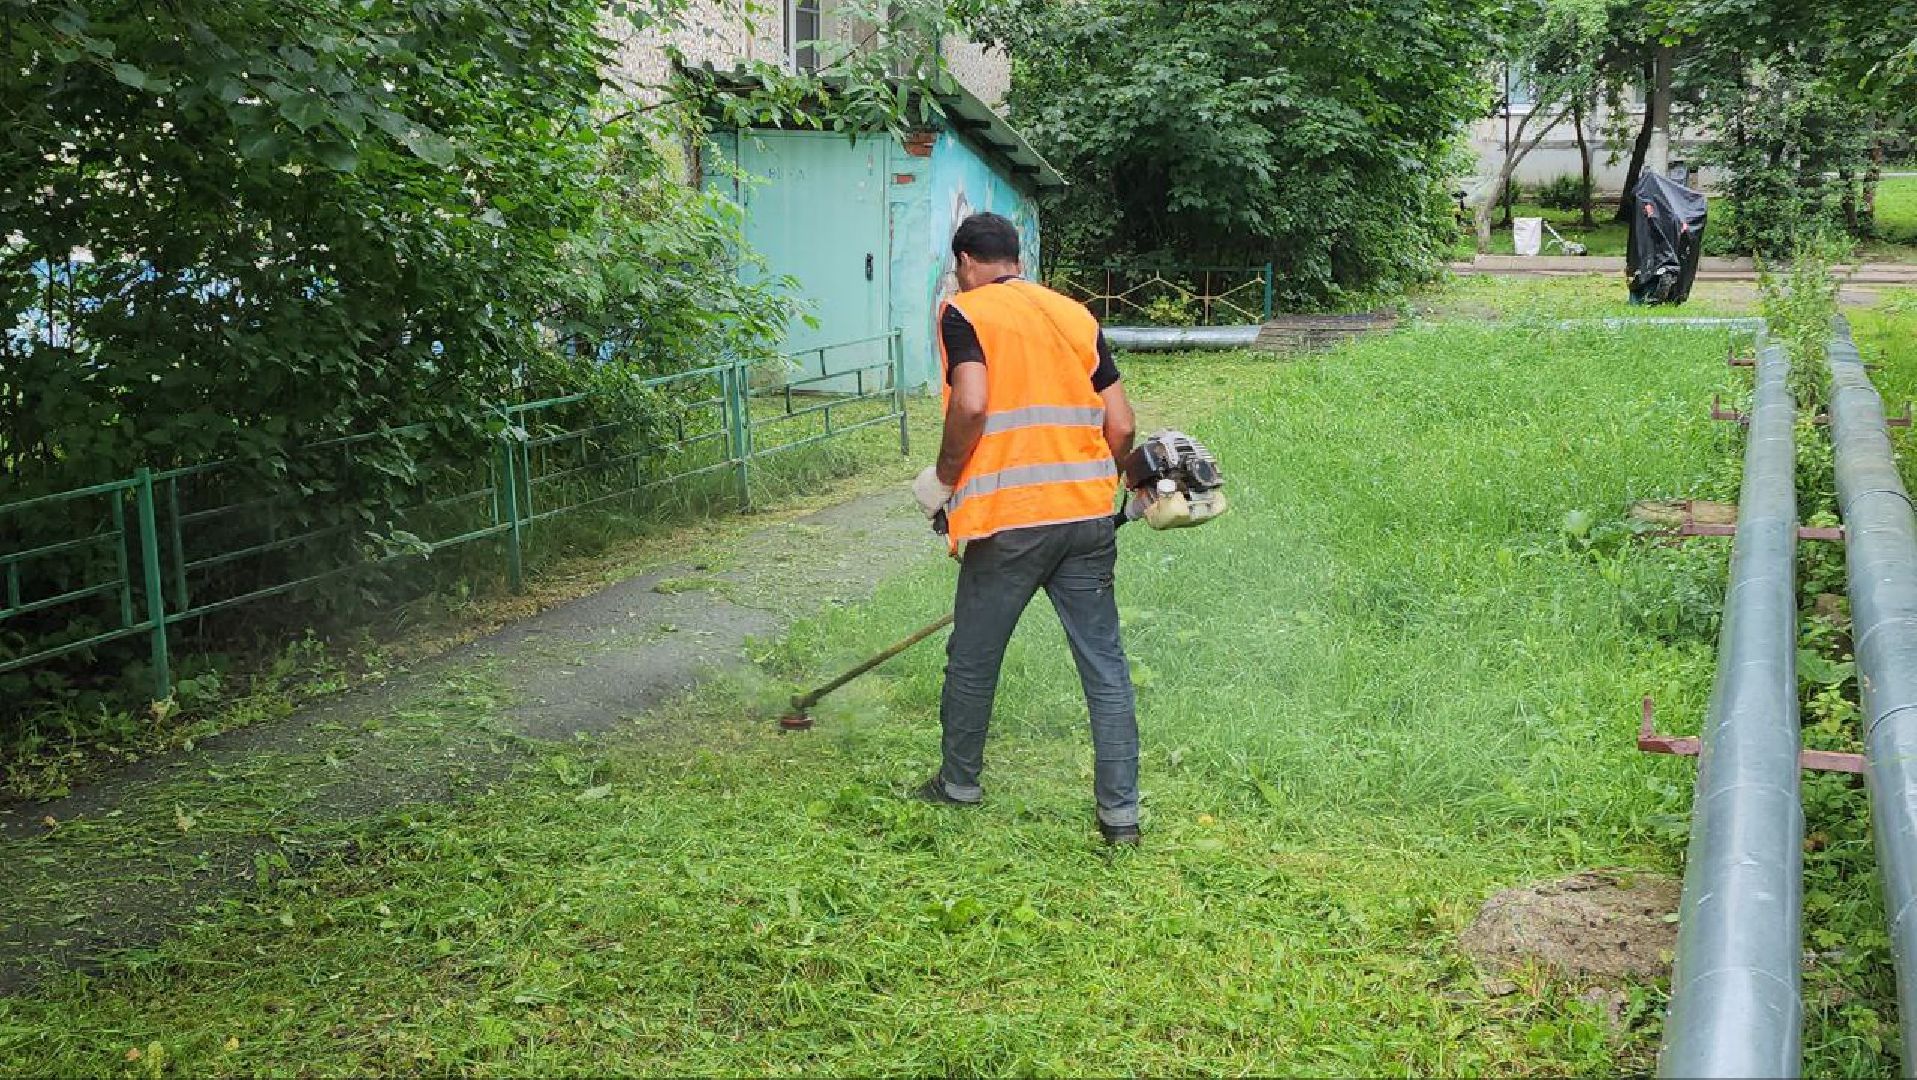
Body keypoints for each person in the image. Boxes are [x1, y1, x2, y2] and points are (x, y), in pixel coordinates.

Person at [909, 212, 1143, 846]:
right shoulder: (1075, 315)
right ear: (1017, 258)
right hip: (1088, 520)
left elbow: (974, 402)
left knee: (974, 659)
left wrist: (943, 482)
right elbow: (1120, 426)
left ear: (963, 262)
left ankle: (958, 786)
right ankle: (1121, 817)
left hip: (1009, 524)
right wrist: (1136, 487)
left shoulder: (966, 313)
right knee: (1105, 668)